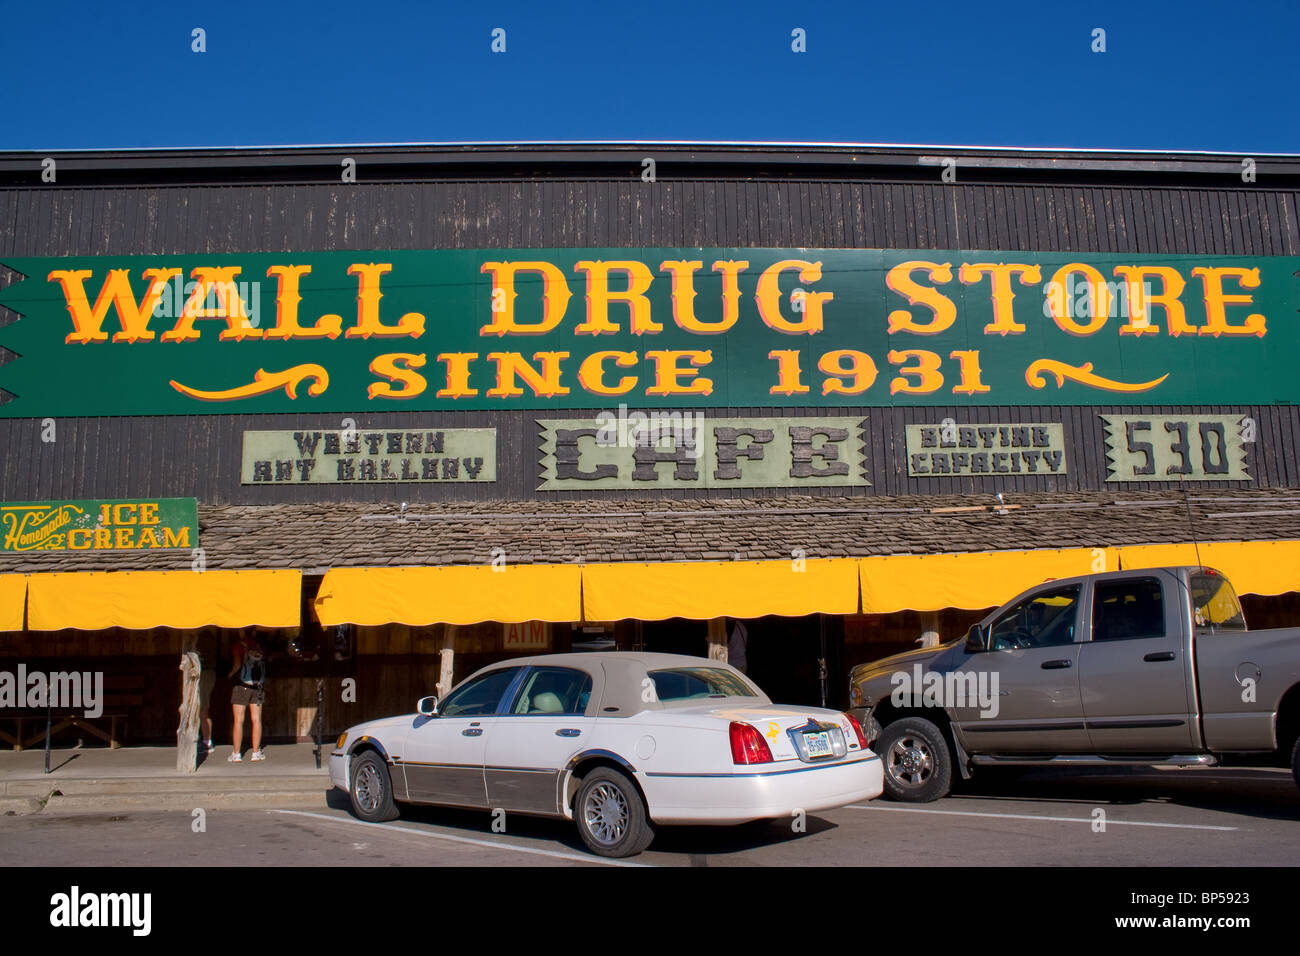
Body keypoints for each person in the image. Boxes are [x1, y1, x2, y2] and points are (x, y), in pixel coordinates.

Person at [228, 630, 268, 762]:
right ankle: (256, 752)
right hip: (257, 687)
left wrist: (230, 675)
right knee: (256, 719)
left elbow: (237, 665)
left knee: (238, 720)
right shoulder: (258, 646)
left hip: (241, 686)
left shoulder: (238, 646)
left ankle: (236, 753)